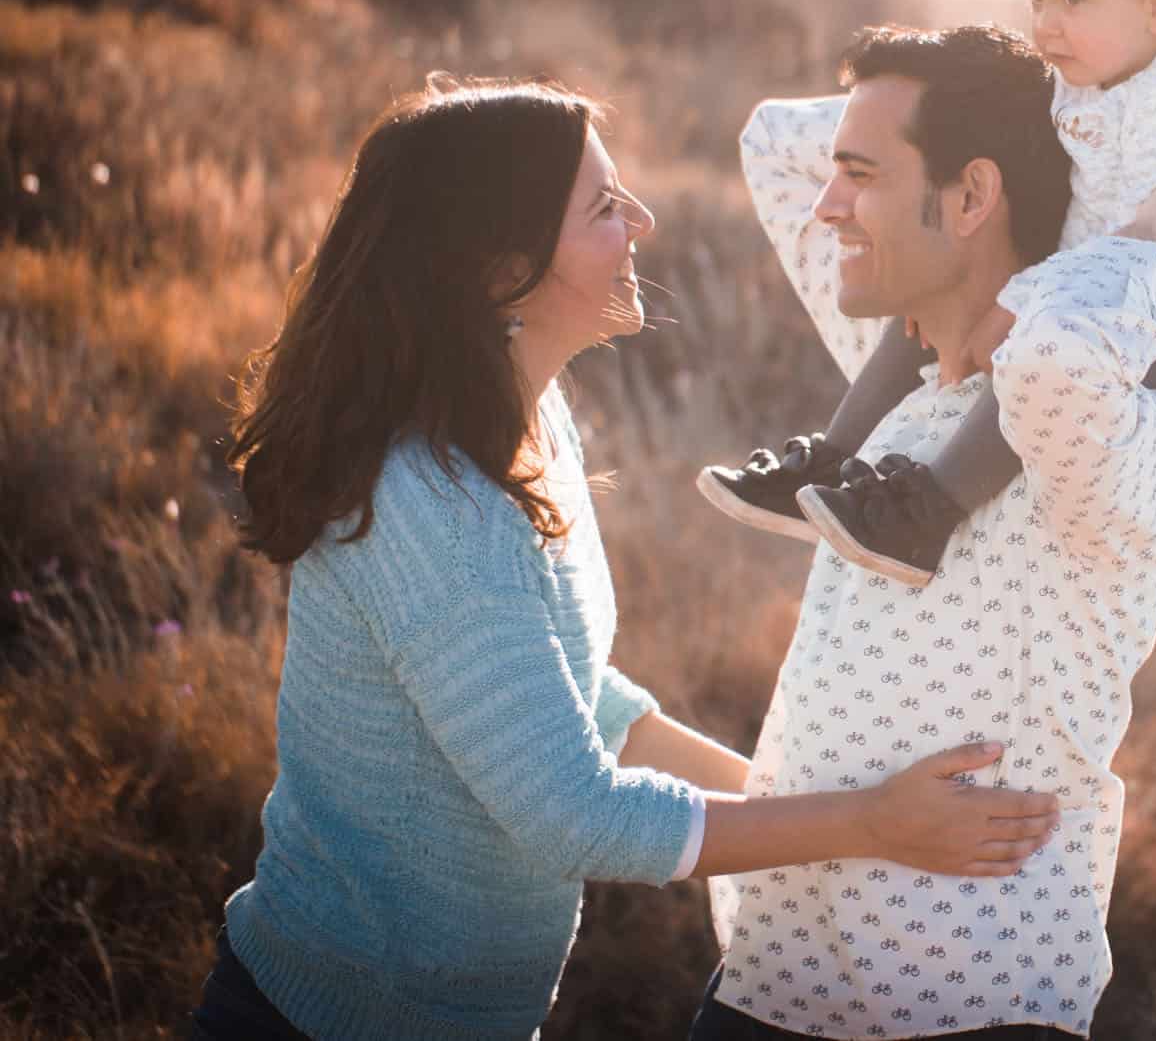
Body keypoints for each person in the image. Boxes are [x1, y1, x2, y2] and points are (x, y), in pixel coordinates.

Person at [190, 78, 1061, 1041]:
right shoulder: (429, 505)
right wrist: (864, 823)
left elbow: (576, 700)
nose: (643, 220)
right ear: (501, 271)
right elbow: (575, 813)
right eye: (604, 208)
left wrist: (808, 811)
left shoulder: (526, 422)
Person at [690, 24, 1156, 1038]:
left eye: (860, 175)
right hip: (764, 988)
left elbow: (1048, 363)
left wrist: (1155, 235)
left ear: (968, 199)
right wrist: (1060, 93)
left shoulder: (1113, 438)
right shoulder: (904, 367)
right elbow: (774, 140)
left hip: (967, 1009)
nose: (826, 207)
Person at [696, 0, 1156, 587]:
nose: (1046, 24)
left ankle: (927, 511)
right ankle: (833, 461)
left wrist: (1009, 306)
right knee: (929, 290)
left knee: (1040, 349)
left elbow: (1120, 265)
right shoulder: (1109, 58)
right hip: (1089, 270)